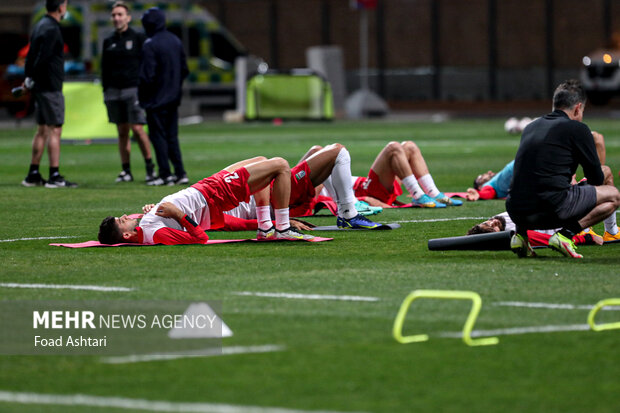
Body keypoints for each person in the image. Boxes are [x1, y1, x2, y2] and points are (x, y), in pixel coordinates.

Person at [506, 79, 620, 258]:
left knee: (530, 183)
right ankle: (566, 235)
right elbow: (596, 180)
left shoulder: (530, 127)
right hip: (550, 209)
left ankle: (520, 238)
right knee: (613, 195)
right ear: (577, 108)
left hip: (515, 211)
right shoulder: (578, 128)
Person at [98, 157, 314, 245]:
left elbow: (145, 219)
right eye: (121, 220)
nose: (125, 216)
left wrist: (150, 209)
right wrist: (178, 214)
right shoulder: (155, 234)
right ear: (126, 234)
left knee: (262, 161)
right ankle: (282, 228)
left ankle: (266, 228)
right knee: (281, 165)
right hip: (215, 194)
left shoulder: (144, 227)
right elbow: (200, 238)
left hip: (206, 188)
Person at [224, 144, 384, 230]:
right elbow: (233, 223)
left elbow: (260, 159)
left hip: (272, 193)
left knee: (318, 151)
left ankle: (345, 208)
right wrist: (275, 222)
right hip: (274, 197)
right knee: (338, 151)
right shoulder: (205, 209)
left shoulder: (205, 194)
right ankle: (349, 213)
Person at [21, 0, 77, 188]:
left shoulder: (39, 25)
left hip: (39, 86)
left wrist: (28, 78)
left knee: (42, 129)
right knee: (55, 129)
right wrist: (34, 77)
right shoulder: (52, 28)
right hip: (50, 87)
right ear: (61, 7)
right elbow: (43, 58)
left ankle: (33, 174)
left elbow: (31, 56)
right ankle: (54, 176)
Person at [101, 1, 156, 184]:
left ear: (128, 17)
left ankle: (150, 168)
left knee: (138, 128)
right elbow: (104, 68)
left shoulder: (138, 38)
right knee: (122, 131)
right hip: (113, 91)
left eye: (120, 14)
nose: (116, 18)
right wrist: (105, 89)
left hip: (133, 89)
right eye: (114, 15)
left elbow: (147, 64)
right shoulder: (109, 41)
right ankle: (126, 171)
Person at [139, 7, 189, 186]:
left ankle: (165, 174)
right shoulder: (175, 41)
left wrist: (143, 97)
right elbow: (184, 69)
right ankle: (180, 172)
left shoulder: (150, 44)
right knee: (172, 137)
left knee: (158, 137)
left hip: (155, 100)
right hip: (173, 99)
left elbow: (147, 76)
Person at [352, 141, 462, 208]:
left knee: (410, 146)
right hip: (367, 191)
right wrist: (363, 199)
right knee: (393, 148)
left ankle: (433, 193)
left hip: (368, 186)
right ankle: (418, 196)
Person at [466, 212, 604, 254]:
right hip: (576, 222)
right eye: (492, 229)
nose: (492, 223)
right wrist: (588, 238)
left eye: (486, 223)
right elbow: (550, 239)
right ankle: (612, 231)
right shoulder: (515, 234)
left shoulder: (497, 217)